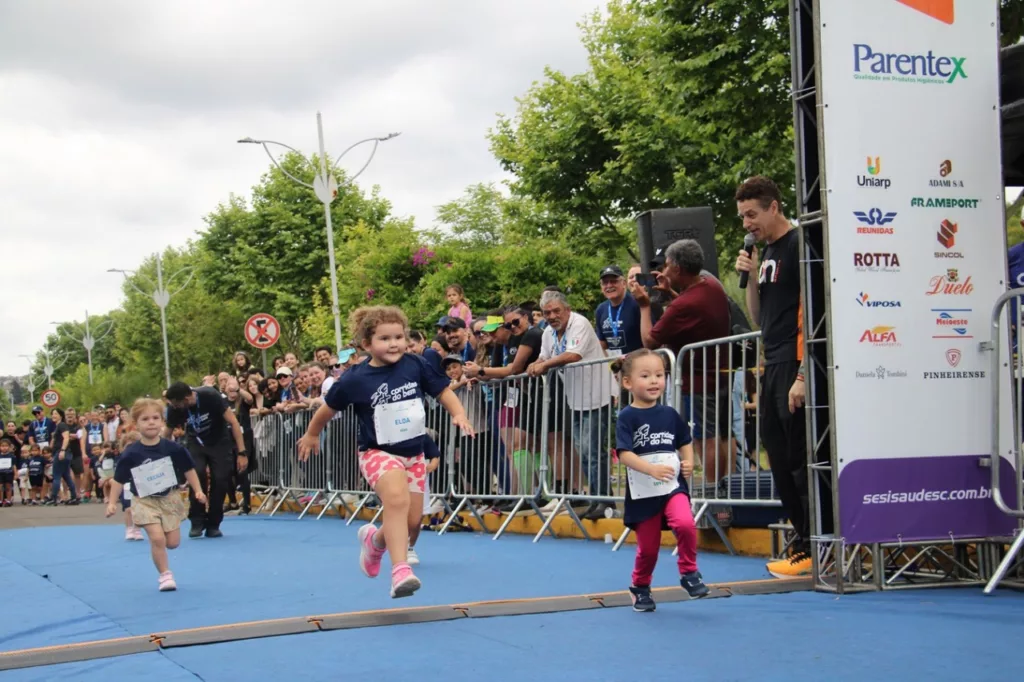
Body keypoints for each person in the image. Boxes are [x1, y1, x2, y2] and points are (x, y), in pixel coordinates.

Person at [297, 305, 474, 599]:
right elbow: (327, 409)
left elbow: (443, 391)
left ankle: (375, 541)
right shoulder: (355, 378)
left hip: (413, 454)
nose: (393, 344)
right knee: (395, 499)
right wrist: (313, 433)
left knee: (412, 522)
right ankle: (400, 571)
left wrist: (459, 414)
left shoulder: (415, 365)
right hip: (377, 452)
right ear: (367, 344)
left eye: (398, 337)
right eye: (384, 338)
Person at [734, 175, 815, 578]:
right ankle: (803, 539)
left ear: (774, 207)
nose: (747, 223)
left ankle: (817, 541)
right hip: (773, 359)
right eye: (742, 216)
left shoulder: (799, 244)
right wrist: (748, 276)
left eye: (752, 214)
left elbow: (811, 310)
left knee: (800, 456)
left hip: (797, 361)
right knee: (777, 455)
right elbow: (757, 316)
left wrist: (803, 373)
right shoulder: (764, 253)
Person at [614, 349, 709, 611]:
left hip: (672, 485)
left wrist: (688, 461)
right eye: (645, 376)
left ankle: (689, 573)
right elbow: (623, 453)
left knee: (685, 523)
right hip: (644, 491)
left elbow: (684, 441)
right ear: (628, 383)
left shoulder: (669, 414)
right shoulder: (626, 417)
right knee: (649, 549)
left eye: (659, 374)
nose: (654, 381)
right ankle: (640, 586)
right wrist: (649, 469)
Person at [106, 399, 207, 591]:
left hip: (169, 498)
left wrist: (199, 490)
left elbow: (189, 470)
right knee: (157, 538)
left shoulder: (173, 448)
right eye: (145, 419)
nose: (151, 422)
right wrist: (112, 502)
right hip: (144, 500)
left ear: (162, 421)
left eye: (155, 418)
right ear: (136, 424)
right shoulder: (131, 453)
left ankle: (164, 551)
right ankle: (165, 575)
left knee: (173, 543)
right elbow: (118, 480)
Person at [164, 381, 248, 539]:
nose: (174, 407)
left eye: (177, 404)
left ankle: (214, 523)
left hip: (219, 442)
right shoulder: (174, 408)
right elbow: (166, 434)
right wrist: (162, 456)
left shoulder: (210, 395)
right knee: (197, 473)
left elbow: (234, 422)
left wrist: (242, 452)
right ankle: (197, 520)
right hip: (196, 442)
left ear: (187, 398)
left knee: (221, 478)